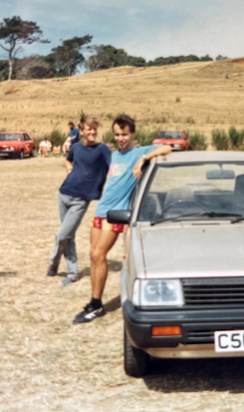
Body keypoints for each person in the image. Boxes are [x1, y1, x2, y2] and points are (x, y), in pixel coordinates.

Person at [73, 114, 172, 324]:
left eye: (124, 134)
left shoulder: (139, 152)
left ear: (132, 134)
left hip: (116, 213)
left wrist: (144, 159)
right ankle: (94, 299)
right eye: (117, 134)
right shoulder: (113, 155)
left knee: (99, 254)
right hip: (101, 210)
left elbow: (167, 149)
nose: (121, 138)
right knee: (93, 255)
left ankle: (95, 304)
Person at [47, 114, 111, 286]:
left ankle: (53, 261)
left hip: (81, 199)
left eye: (95, 129)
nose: (93, 132)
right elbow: (67, 161)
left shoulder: (102, 149)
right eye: (89, 129)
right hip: (64, 193)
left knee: (62, 235)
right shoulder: (75, 148)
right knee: (69, 235)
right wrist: (70, 171)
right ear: (81, 131)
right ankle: (72, 272)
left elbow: (113, 167)